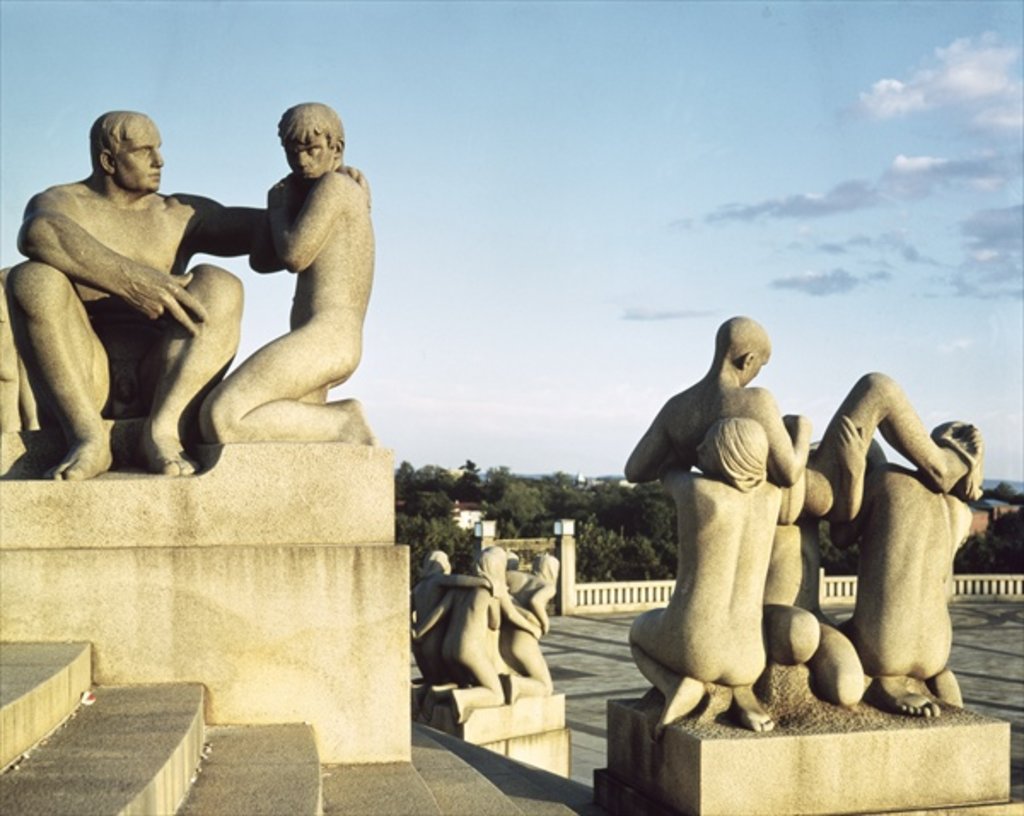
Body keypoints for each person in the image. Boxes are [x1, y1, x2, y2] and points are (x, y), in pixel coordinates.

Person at [6, 111, 260, 479]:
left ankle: (162, 432)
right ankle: (88, 437)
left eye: (158, 148)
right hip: (87, 377)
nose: (159, 160)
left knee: (220, 285)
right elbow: (38, 233)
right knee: (33, 279)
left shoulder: (177, 214)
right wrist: (132, 280)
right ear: (108, 161)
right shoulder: (65, 202)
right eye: (144, 151)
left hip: (162, 377)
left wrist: (322, 185)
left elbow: (267, 233)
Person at [629, 418, 819, 736]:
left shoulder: (697, 490)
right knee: (735, 665)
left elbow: (662, 467)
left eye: (709, 443)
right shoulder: (772, 497)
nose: (701, 447)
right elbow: (792, 473)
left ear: (725, 453)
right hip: (750, 656)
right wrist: (801, 435)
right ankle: (741, 694)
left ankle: (676, 684)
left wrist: (685, 432)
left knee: (637, 633)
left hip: (695, 644)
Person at [200, 102, 375, 446]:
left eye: (312, 149)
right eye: (292, 152)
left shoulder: (336, 187)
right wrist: (282, 206)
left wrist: (279, 209)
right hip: (318, 337)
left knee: (222, 417)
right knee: (268, 432)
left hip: (328, 338)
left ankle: (346, 422)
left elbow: (294, 255)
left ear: (336, 148)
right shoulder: (321, 190)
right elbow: (263, 261)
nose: (302, 161)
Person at [835, 422, 983, 718]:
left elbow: (840, 537)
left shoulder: (886, 478)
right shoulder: (961, 512)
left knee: (827, 636)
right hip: (937, 645)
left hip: (886, 644)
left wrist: (852, 472)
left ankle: (886, 684)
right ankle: (936, 677)